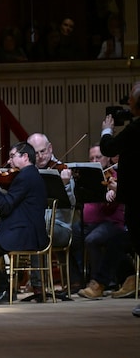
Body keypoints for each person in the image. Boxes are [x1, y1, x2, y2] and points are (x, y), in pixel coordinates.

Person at [0, 142, 49, 304]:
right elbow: (12, 201)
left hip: (23, 234)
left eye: (12, 156)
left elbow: (6, 206)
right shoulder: (30, 175)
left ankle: (2, 289)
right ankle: (0, 288)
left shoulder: (26, 176)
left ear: (25, 156)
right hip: (24, 231)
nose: (9, 161)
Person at [99, 81, 140, 317]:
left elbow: (109, 147)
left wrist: (107, 129)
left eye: (131, 101)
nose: (128, 105)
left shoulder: (136, 129)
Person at [74, 145, 126, 300]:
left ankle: (99, 282)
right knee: (72, 236)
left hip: (110, 223)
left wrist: (114, 192)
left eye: (98, 157)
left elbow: (116, 202)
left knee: (93, 239)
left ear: (107, 158)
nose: (95, 161)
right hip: (89, 223)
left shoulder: (115, 175)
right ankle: (76, 281)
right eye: (91, 158)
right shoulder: (88, 177)